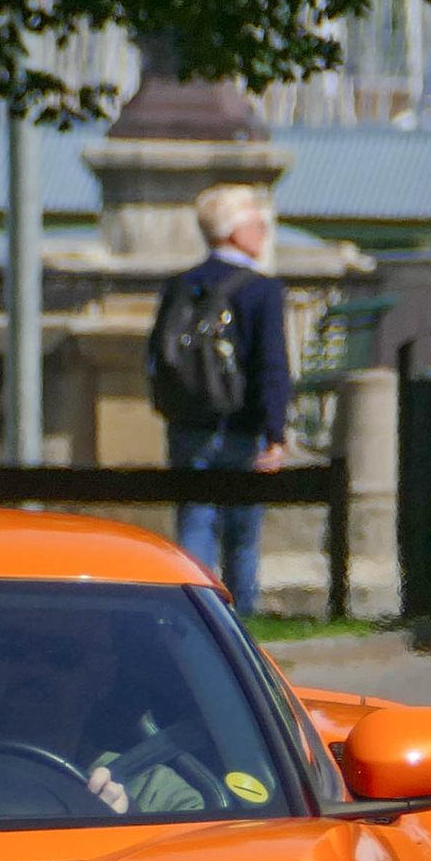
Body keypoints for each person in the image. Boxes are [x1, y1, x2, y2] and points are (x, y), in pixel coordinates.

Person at [148, 183, 291, 614]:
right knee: (242, 537)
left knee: (194, 524)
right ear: (233, 231)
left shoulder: (180, 284)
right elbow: (271, 365)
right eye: (255, 222)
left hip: (188, 424)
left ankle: (194, 615)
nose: (264, 230)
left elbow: (158, 356)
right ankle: (240, 625)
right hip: (241, 425)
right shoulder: (261, 290)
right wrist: (275, 432)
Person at [0, 610, 202, 816]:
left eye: (62, 655)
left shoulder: (155, 794)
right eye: (11, 649)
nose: (32, 668)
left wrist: (129, 827)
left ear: (105, 676)